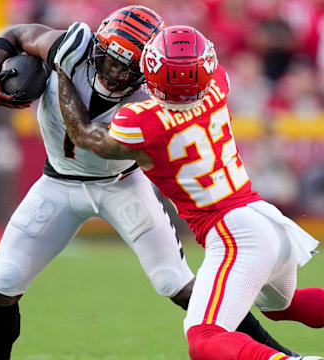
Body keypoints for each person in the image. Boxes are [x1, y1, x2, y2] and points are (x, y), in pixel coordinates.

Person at [0, 6, 298, 359]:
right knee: (3, 282)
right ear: (97, 47)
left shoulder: (156, 97)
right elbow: (20, 33)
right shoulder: (72, 46)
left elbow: (83, 133)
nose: (115, 74)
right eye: (110, 60)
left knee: (176, 282)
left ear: (150, 69)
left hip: (121, 185)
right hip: (57, 183)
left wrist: (62, 72)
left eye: (128, 68)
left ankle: (280, 353)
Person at [56, 24, 324, 360]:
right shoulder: (219, 83)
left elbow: (84, 135)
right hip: (267, 220)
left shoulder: (141, 122)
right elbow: (187, 70)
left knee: (204, 338)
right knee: (284, 306)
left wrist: (62, 73)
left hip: (235, 235)